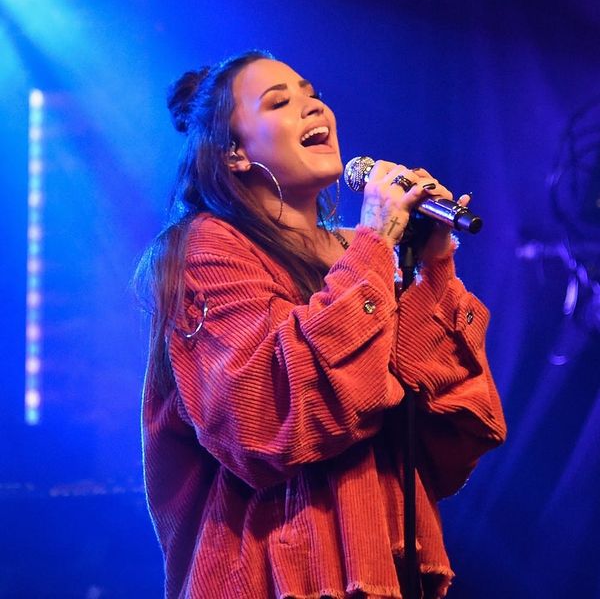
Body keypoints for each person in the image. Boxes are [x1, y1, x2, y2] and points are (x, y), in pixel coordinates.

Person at [135, 49, 506, 599]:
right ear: (234, 152)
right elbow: (262, 419)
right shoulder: (208, 248)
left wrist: (429, 268)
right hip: (273, 573)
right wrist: (375, 243)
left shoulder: (363, 256)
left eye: (313, 95)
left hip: (386, 567)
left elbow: (437, 432)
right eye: (279, 102)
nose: (314, 108)